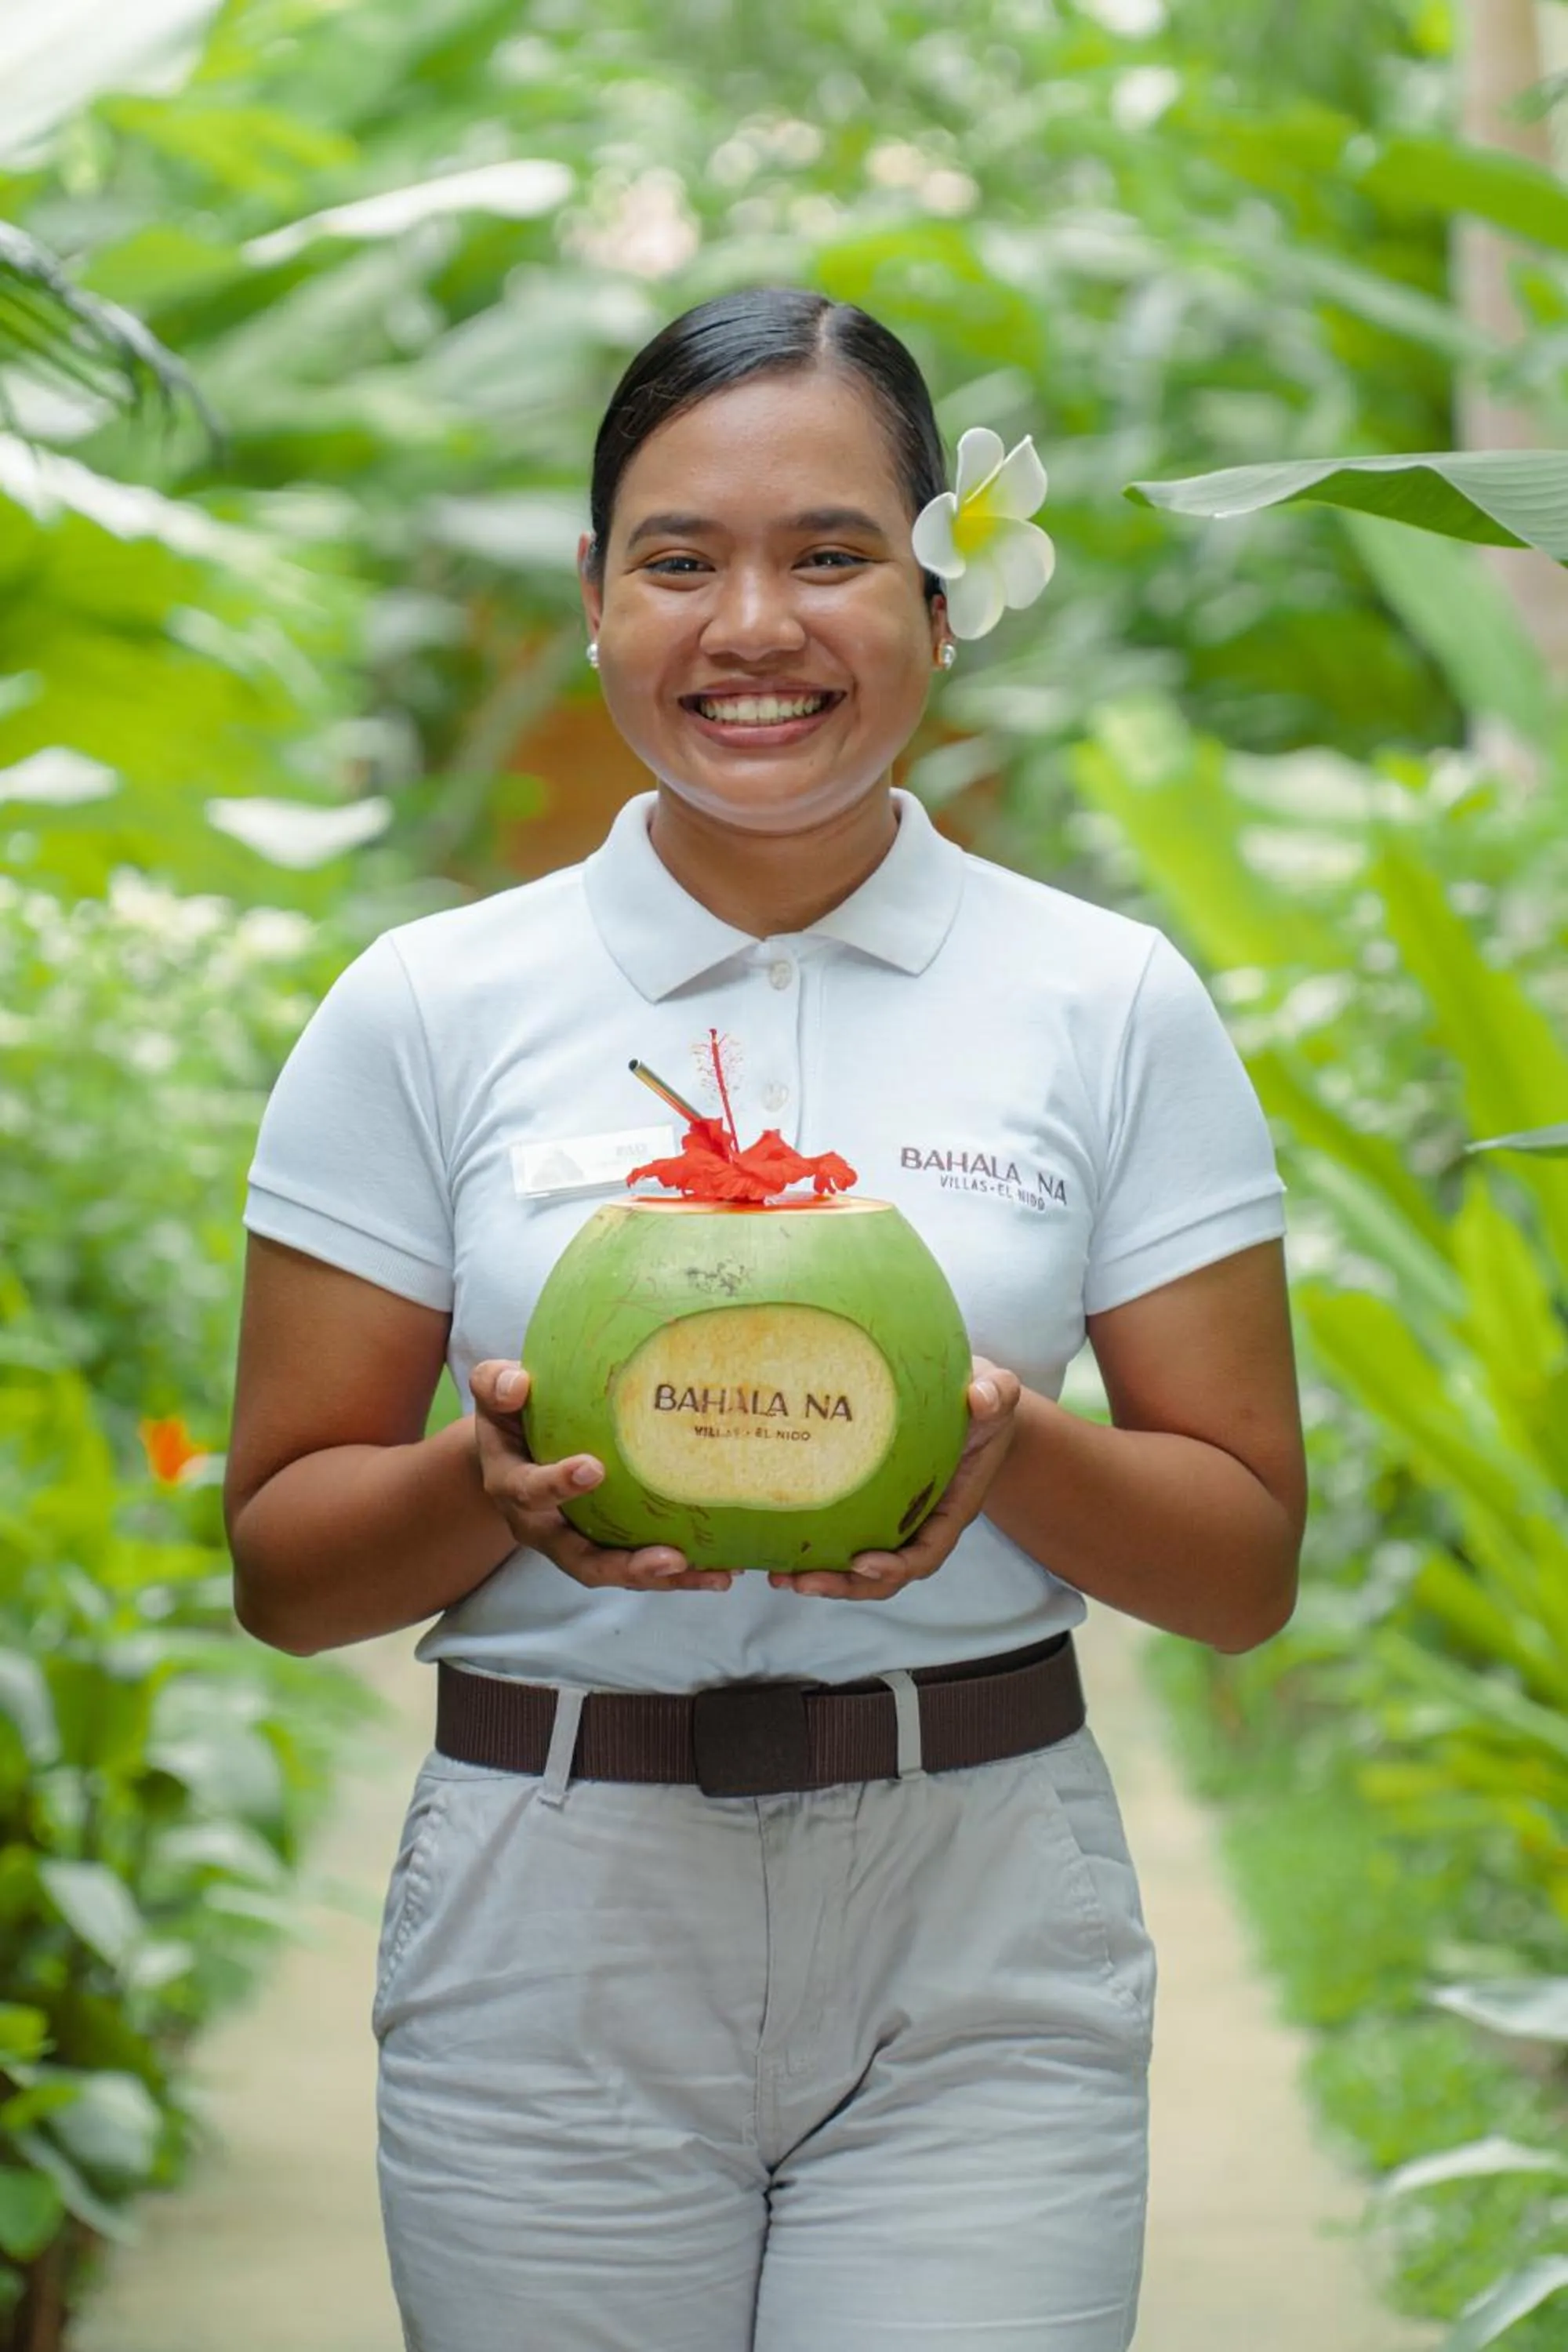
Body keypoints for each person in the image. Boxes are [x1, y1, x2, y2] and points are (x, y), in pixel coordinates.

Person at [225, 285, 1306, 2352]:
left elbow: (1244, 1563)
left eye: (828, 555)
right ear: (595, 594)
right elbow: (283, 1564)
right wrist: (492, 1488)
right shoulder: (428, 1009)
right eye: (680, 559)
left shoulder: (1108, 1002)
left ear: (939, 584)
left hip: (981, 1925)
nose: (753, 627)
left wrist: (1011, 1455)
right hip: (550, 1923)